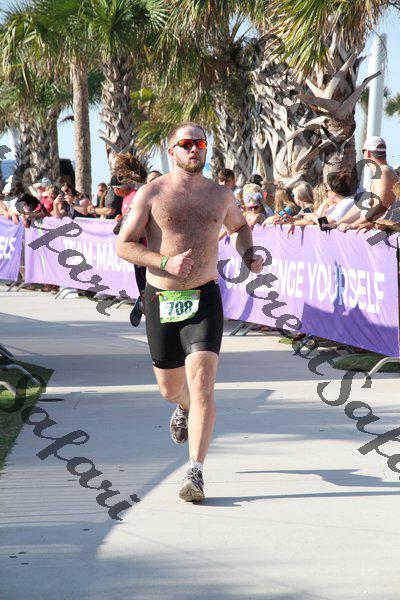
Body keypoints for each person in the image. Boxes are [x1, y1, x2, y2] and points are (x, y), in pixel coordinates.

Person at [116, 122, 263, 502]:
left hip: (204, 297)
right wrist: (164, 261)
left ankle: (194, 472)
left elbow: (240, 226)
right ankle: (182, 406)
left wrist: (248, 253)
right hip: (161, 299)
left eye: (200, 143)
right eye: (186, 143)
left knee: (202, 385)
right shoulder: (152, 193)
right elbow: (124, 245)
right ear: (172, 151)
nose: (194, 149)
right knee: (171, 390)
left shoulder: (220, 195)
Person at [339, 137, 399, 232]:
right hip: (375, 233)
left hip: (380, 235)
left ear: (368, 153)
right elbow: (360, 206)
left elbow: (379, 207)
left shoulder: (384, 173)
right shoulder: (381, 173)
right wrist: (337, 223)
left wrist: (354, 225)